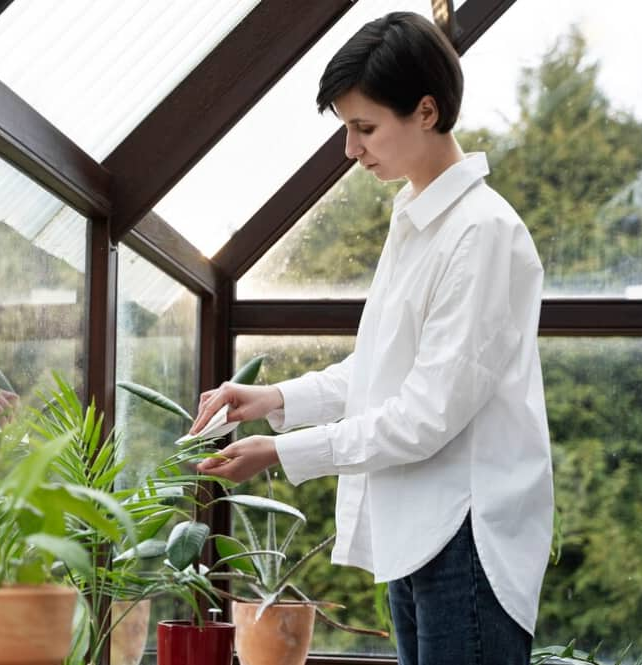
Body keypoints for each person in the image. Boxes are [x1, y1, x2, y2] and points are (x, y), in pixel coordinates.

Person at [193, 12, 553, 665]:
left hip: (464, 533)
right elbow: (382, 369)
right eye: (345, 129)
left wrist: (279, 451)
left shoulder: (480, 233)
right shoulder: (416, 220)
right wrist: (272, 396)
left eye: (364, 128)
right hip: (416, 530)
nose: (351, 150)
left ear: (425, 110)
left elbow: (424, 415)